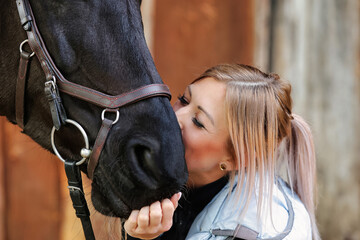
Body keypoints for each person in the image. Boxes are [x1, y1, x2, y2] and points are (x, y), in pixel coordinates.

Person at [124, 64, 321, 240]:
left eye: (198, 122)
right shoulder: (167, 180)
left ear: (235, 158)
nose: (174, 117)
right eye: (183, 100)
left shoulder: (250, 232)